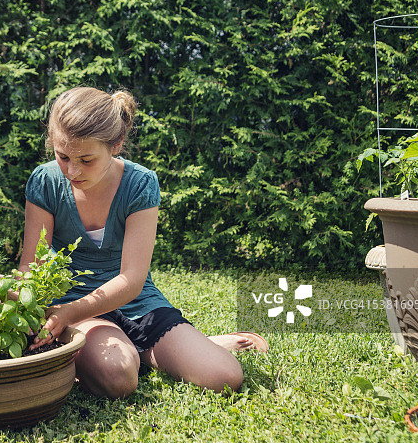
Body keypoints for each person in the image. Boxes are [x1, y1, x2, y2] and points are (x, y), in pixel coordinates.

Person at [19, 87, 267, 399]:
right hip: (76, 308)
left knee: (225, 376)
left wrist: (68, 314)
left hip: (136, 304)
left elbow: (132, 280)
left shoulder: (140, 184)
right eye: (63, 156)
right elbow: (31, 266)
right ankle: (141, 352)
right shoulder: (45, 182)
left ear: (116, 145)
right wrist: (54, 311)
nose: (72, 170)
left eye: (86, 159)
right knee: (118, 377)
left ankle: (163, 348)